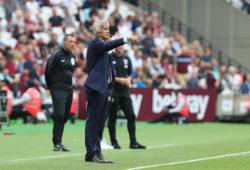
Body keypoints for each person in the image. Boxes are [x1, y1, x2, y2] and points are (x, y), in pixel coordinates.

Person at [84, 19, 140, 163]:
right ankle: (91, 153)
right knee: (94, 121)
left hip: (104, 88)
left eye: (108, 29)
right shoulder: (95, 43)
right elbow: (108, 45)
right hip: (96, 88)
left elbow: (110, 71)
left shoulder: (105, 52)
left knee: (100, 122)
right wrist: (126, 38)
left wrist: (120, 79)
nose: (108, 31)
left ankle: (97, 152)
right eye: (105, 29)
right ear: (98, 32)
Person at [108, 44, 146, 150]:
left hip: (125, 92)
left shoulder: (126, 58)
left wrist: (130, 77)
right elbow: (107, 75)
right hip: (113, 91)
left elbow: (132, 73)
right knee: (112, 117)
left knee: (131, 115)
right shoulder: (109, 58)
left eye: (122, 46)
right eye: (119, 45)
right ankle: (113, 141)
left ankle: (133, 142)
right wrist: (121, 80)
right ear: (114, 46)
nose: (121, 47)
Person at [45, 34, 76, 152]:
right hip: (58, 89)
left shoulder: (72, 56)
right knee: (59, 114)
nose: (72, 44)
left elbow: (71, 71)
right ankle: (56, 143)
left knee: (65, 116)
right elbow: (48, 70)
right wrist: (50, 86)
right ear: (64, 42)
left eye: (74, 42)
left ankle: (59, 141)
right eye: (70, 41)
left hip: (69, 89)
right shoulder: (56, 55)